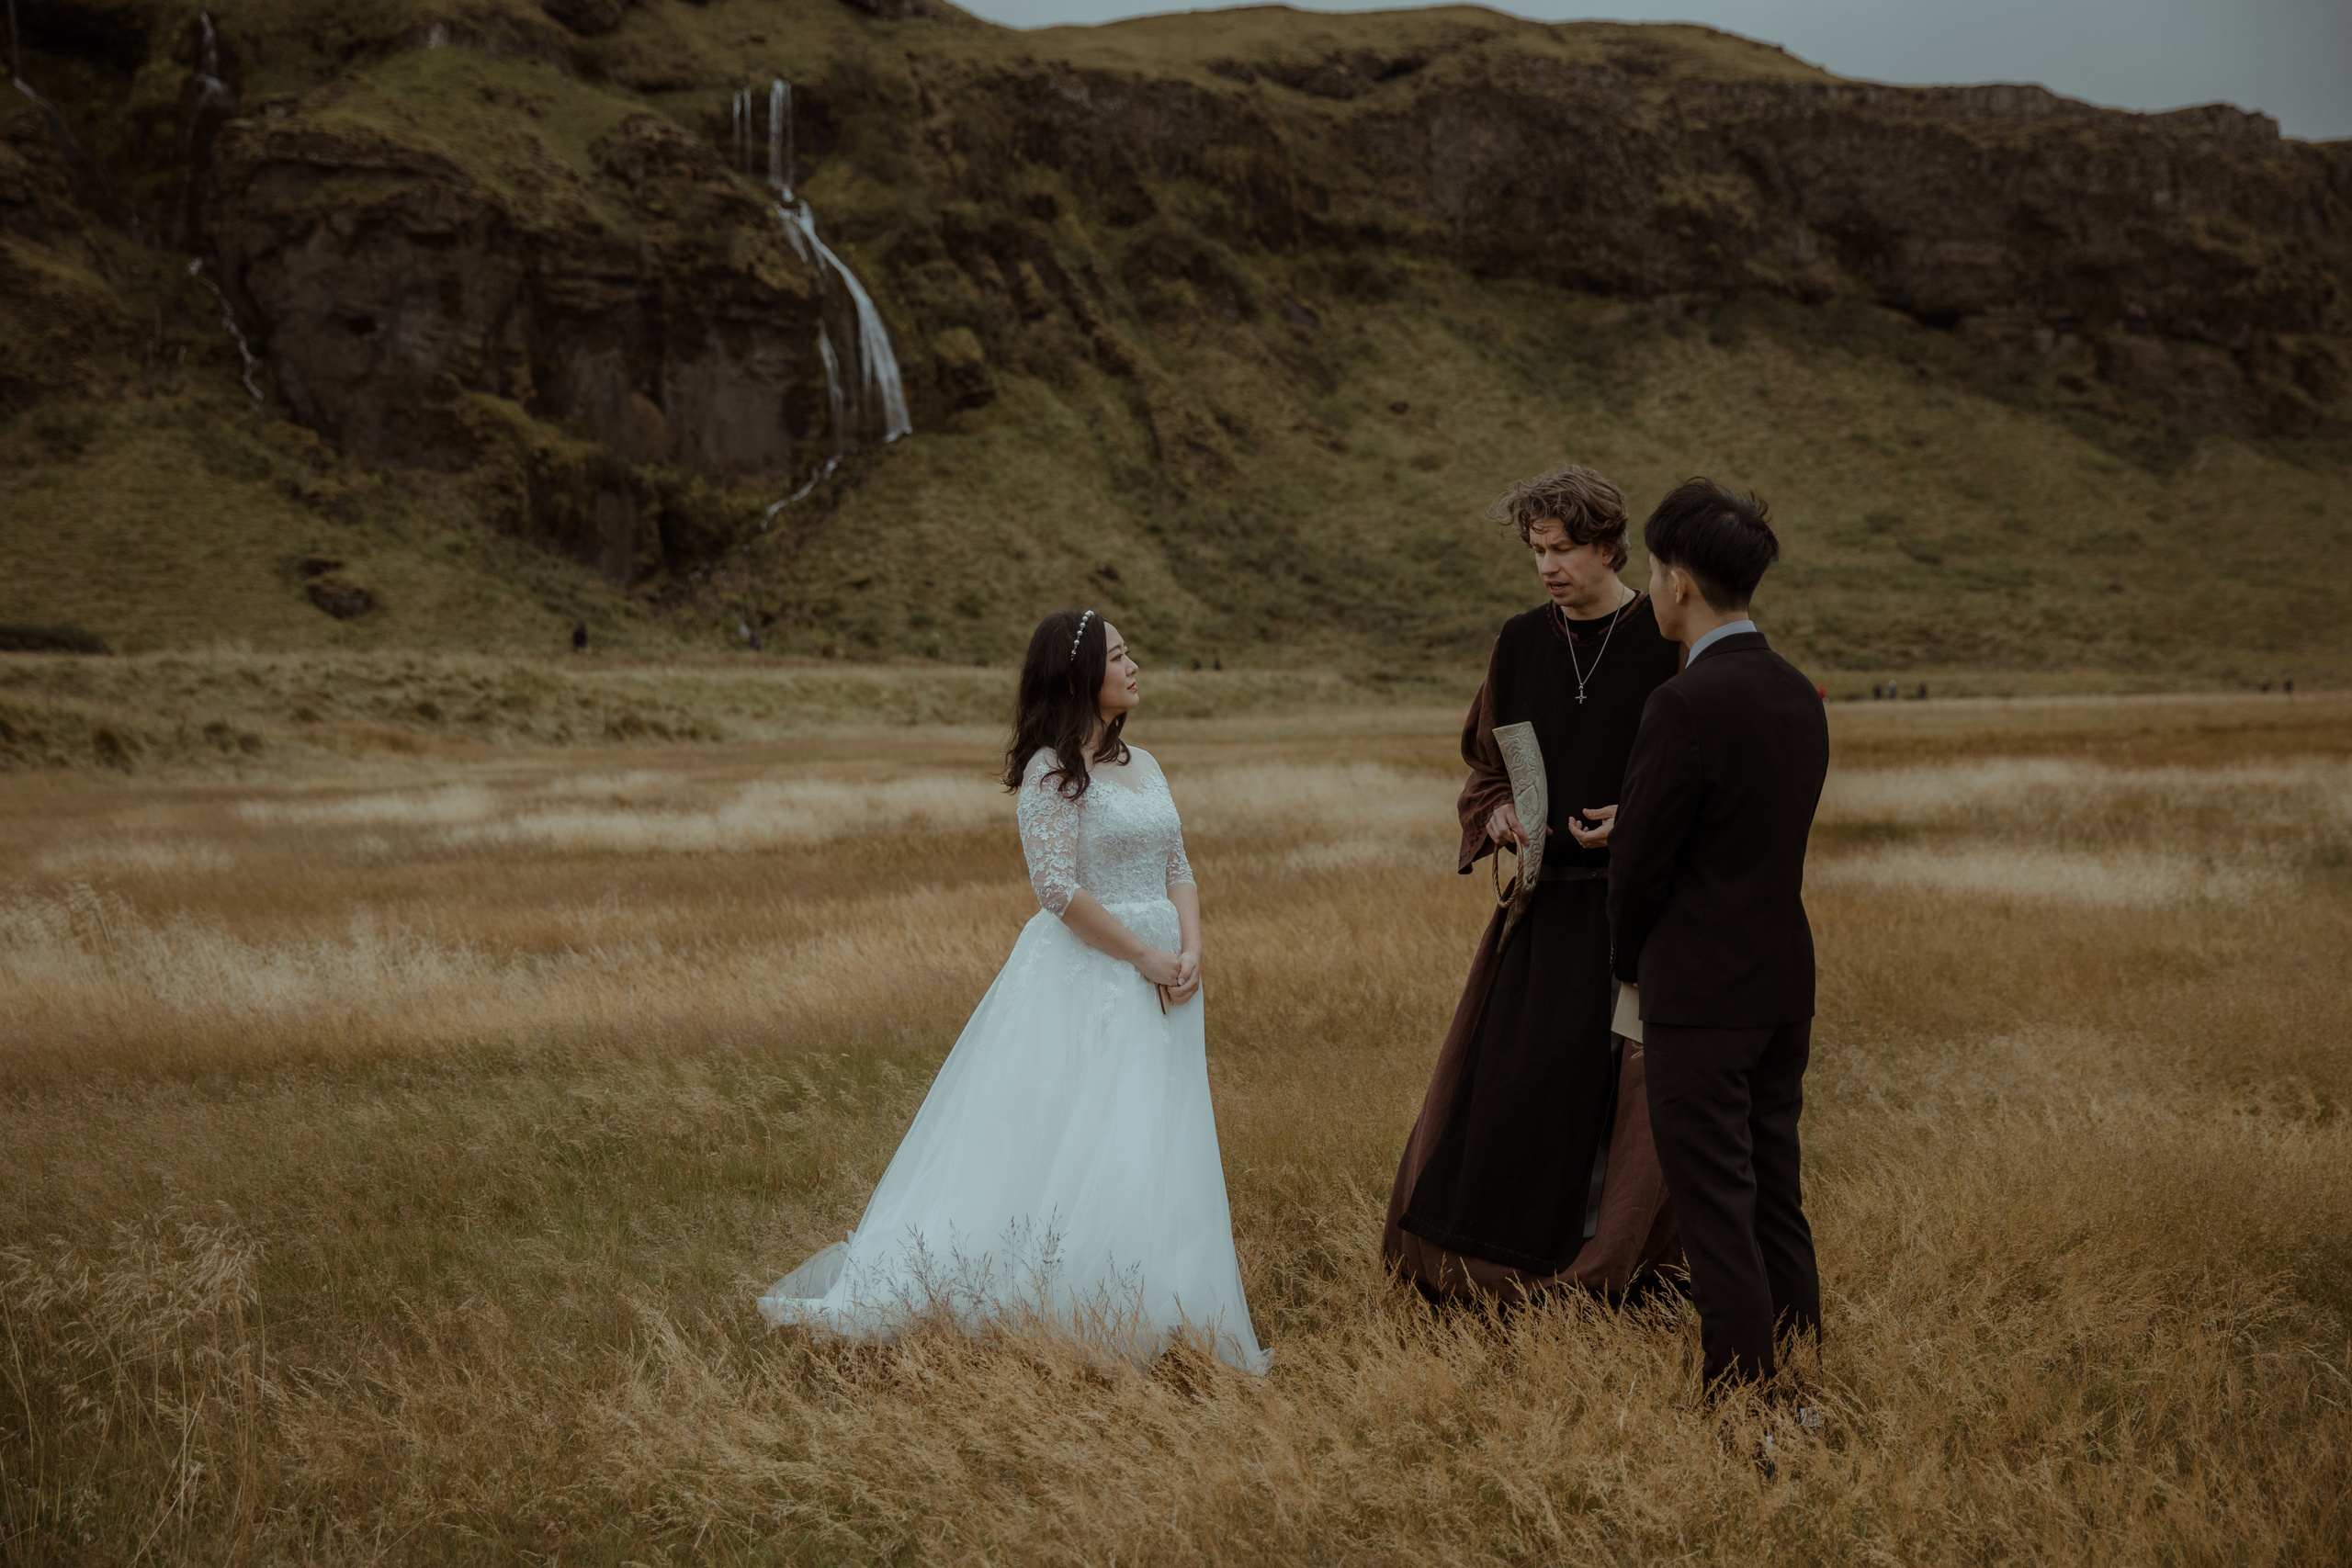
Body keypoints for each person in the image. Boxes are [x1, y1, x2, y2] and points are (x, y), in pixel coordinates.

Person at [758, 609, 1267, 1373]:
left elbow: (1178, 866)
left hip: (1169, 976)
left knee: (1163, 1135)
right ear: (1080, 675)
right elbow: (1057, 890)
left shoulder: (1147, 764)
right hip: (1093, 975)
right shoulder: (1049, 771)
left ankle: (1163, 1302)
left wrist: (1189, 949)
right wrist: (1143, 957)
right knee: (1093, 1133)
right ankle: (1075, 1308)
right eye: (1119, 656)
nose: (1135, 667)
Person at [1384, 465, 1686, 1304]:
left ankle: (1615, 1272)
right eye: (1536, 550)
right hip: (1544, 909)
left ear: (1609, 546)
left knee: (1625, 1102)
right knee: (1511, 1085)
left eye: (1564, 549)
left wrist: (1643, 815)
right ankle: (1484, 1271)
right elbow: (1484, 768)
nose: (1549, 566)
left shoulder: (1665, 636)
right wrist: (1501, 817)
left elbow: (1706, 772)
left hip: (1639, 913)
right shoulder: (1518, 642)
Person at [1609, 479, 1829, 1399]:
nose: (1654, 590)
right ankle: (1805, 1378)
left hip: (1698, 992)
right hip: (1781, 977)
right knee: (1775, 1190)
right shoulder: (1794, 692)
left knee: (1714, 1208)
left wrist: (1627, 967)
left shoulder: (1683, 704)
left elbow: (1641, 870)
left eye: (1655, 572)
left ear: (1679, 583)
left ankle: (1741, 1401)